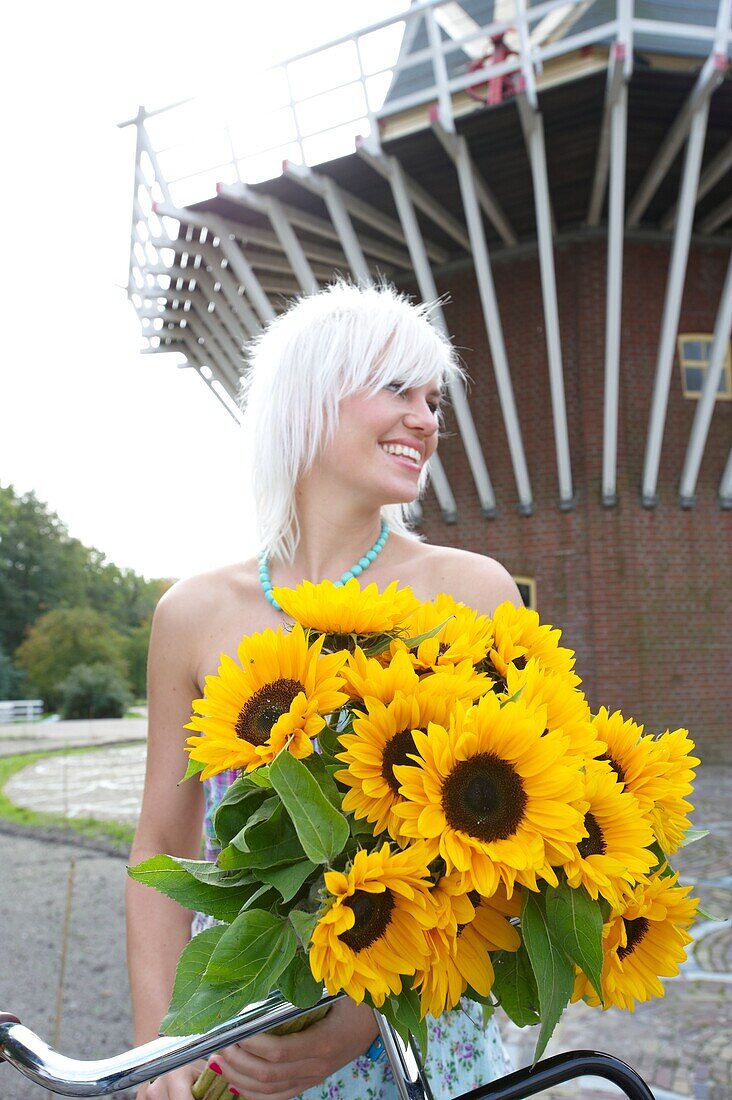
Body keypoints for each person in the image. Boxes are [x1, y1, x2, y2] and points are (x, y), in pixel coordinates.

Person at [126, 281, 522, 1100]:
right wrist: (158, 1048)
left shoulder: (474, 593)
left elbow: (514, 859)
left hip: (414, 1040)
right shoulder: (193, 613)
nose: (426, 419)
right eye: (397, 389)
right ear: (307, 397)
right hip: (239, 1032)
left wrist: (361, 1017)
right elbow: (164, 843)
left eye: (433, 399)